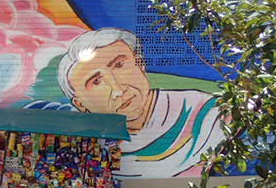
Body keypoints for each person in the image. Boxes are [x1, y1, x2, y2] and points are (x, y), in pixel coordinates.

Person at [56, 28, 225, 178]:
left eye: (119, 65)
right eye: (97, 81)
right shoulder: (91, 149)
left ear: (140, 63)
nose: (118, 90)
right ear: (80, 105)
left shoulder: (208, 114)